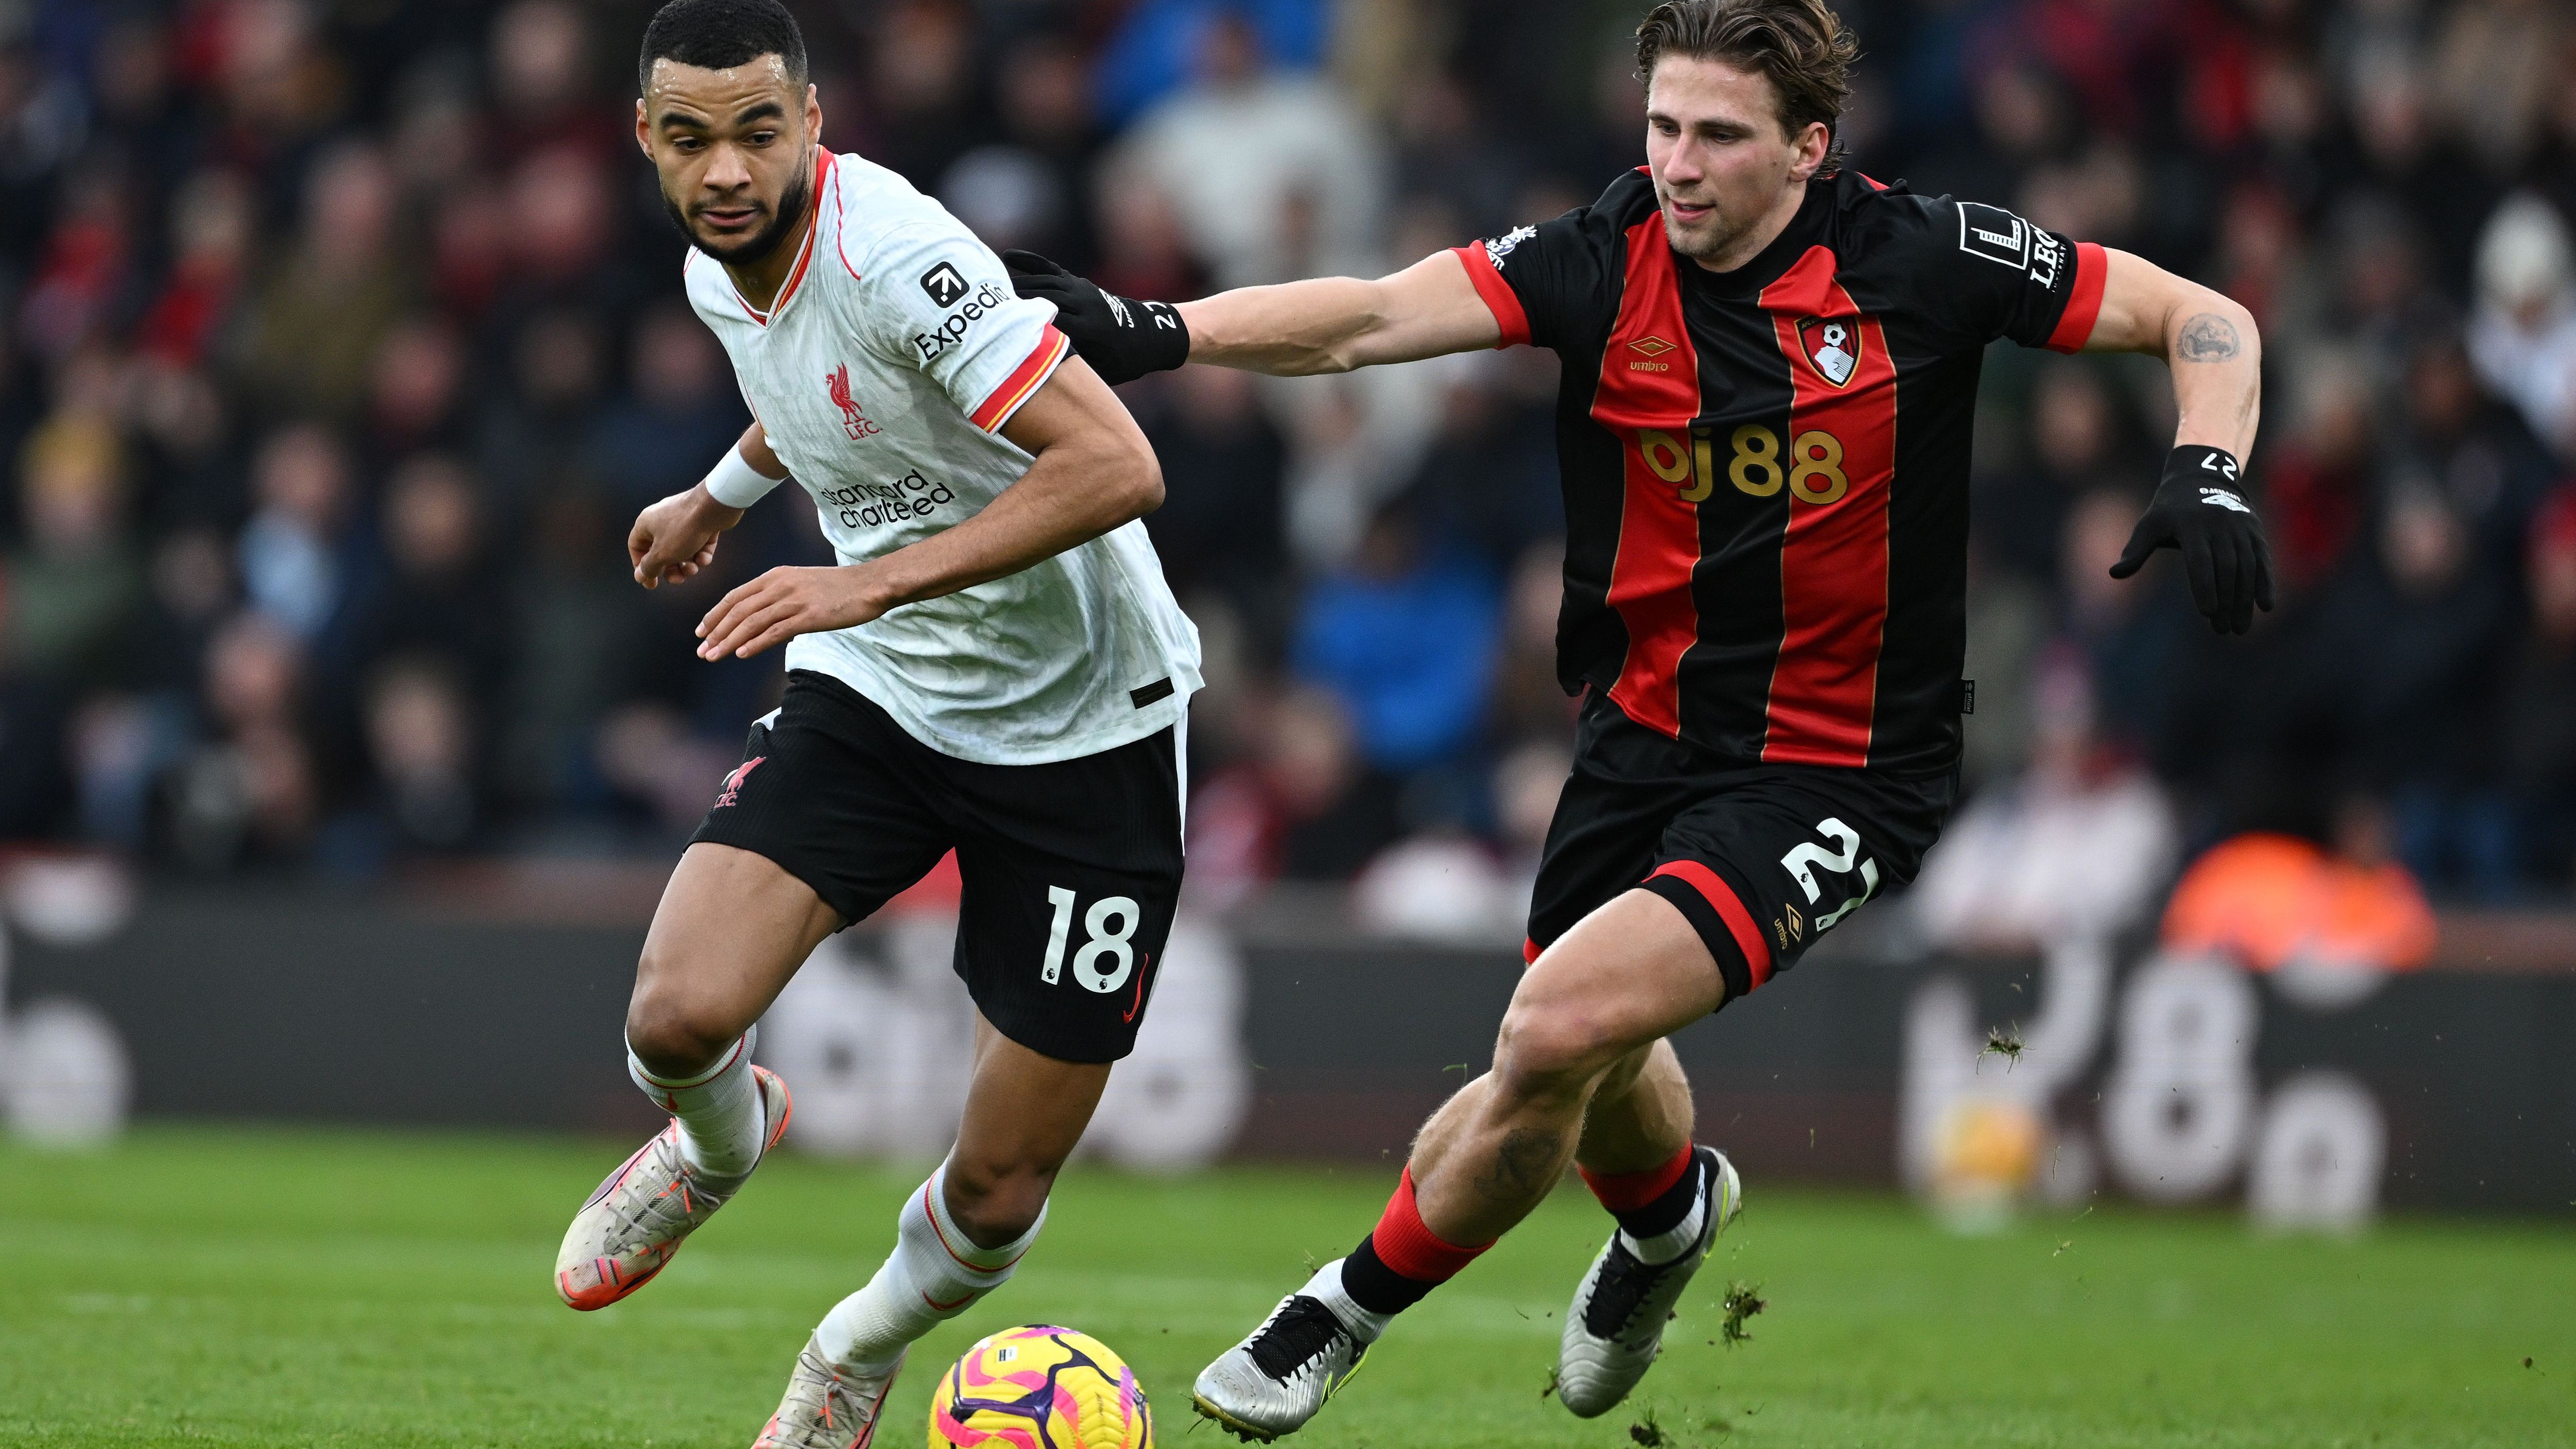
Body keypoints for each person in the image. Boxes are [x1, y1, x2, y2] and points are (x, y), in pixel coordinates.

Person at [1008, 0, 2271, 1437]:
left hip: (1841, 769)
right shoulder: (1596, 261)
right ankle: (1671, 1221)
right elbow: (1367, 316)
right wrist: (1158, 330)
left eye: (1719, 135)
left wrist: (2211, 463)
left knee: (1547, 1032)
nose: (1678, 163)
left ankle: (1334, 1314)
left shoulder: (1923, 258)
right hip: (1636, 739)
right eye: (1663, 125)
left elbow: (2205, 315)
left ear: (1809, 147)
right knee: (1589, 1068)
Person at [554, 4, 1201, 1445]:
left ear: (814, 121)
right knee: (677, 1016)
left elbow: (1119, 462)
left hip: (1087, 727)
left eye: (756, 132)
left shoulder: (901, 255)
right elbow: (821, 388)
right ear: (646, 140)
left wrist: (866, 581)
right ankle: (723, 1144)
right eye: (689, 137)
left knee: (995, 1188)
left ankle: (856, 1344)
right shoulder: (718, 268)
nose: (724, 169)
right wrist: (718, 496)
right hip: (890, 691)